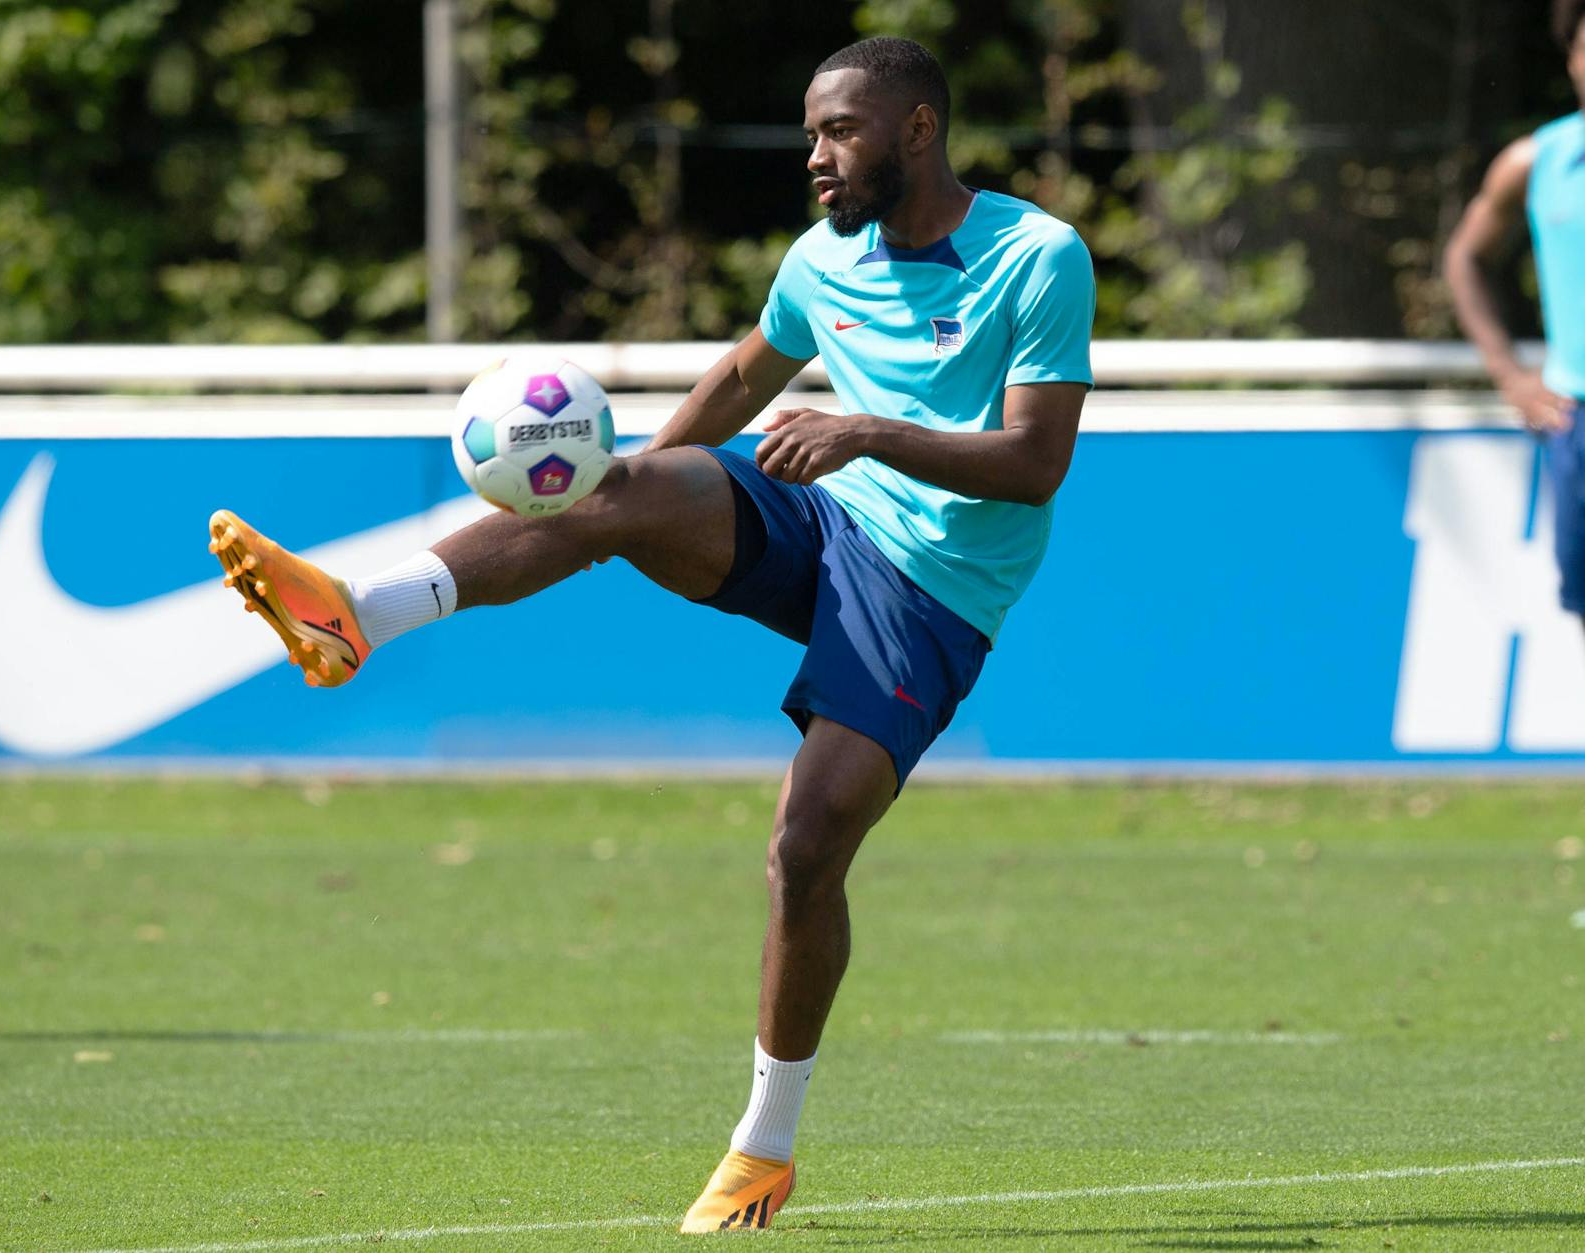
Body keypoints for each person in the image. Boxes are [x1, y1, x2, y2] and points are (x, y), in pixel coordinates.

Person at [209, 35, 1094, 1233]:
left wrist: (866, 431)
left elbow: (1036, 465)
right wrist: (628, 482)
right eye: (808, 133)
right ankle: (354, 618)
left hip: (935, 586)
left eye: (838, 131)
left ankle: (761, 1145)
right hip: (818, 513)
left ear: (919, 129)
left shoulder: (1035, 257)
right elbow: (742, 373)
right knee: (614, 490)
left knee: (804, 845)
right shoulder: (820, 260)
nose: (815, 157)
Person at [1445, 0, 1585, 631]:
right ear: (1573, 58)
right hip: (1576, 420)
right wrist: (1510, 374)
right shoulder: (1537, 163)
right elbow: (1465, 258)